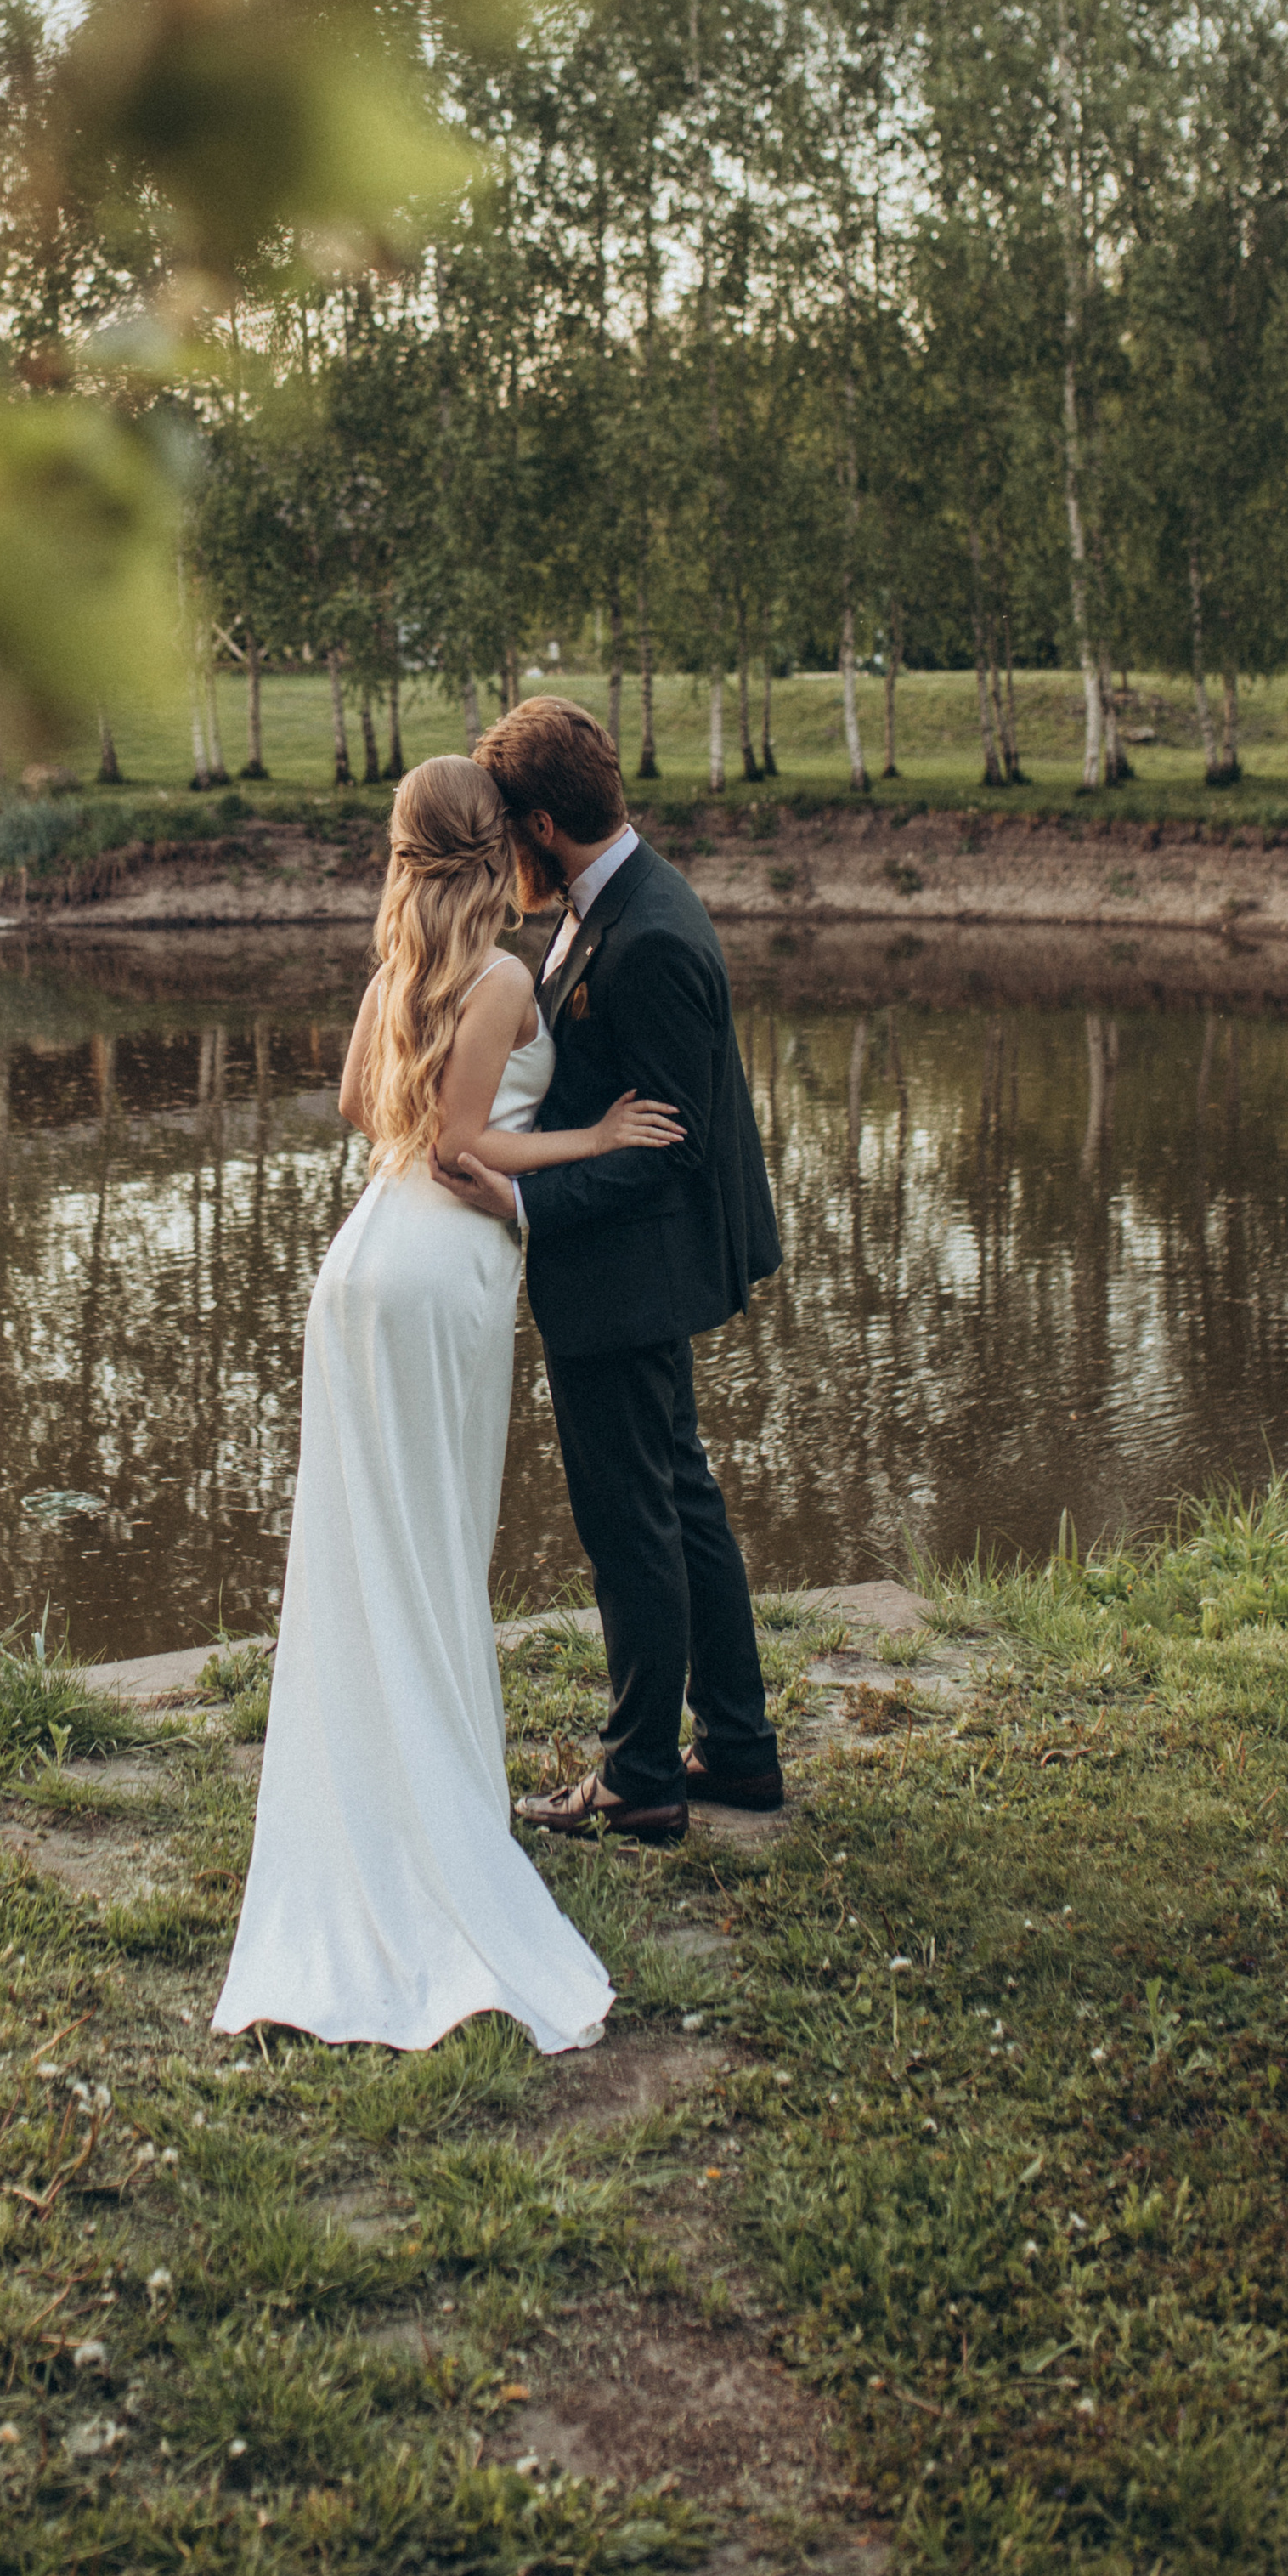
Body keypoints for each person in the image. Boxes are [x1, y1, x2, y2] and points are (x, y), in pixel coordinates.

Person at [212, 753, 681, 2054]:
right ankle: (439, 1817)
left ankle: (381, 1795)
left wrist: (443, 1116)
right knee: (431, 1548)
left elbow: (377, 1113)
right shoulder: (502, 977)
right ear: (498, 846)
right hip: (437, 1278)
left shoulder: (399, 971)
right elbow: (467, 1147)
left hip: (359, 1263)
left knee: (368, 1550)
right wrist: (591, 1139)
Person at [433, 696, 783, 1846]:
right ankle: (735, 1747)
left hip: (631, 1278)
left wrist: (525, 1197)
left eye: (505, 835)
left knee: (635, 1524)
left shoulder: (654, 940)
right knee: (679, 1506)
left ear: (540, 823)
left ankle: (640, 1780)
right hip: (627, 1273)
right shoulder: (613, 904)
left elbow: (667, 1147)